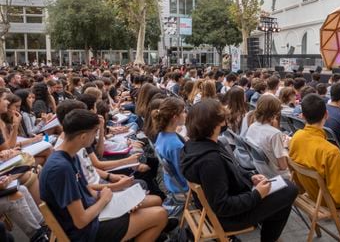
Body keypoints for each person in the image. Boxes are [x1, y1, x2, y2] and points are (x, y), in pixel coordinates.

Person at [40, 109, 168, 242]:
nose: (95, 137)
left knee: (155, 200)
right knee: (160, 215)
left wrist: (120, 199)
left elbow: (87, 189)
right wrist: (104, 199)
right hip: (87, 231)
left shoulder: (70, 156)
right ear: (83, 137)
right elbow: (81, 221)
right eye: (95, 132)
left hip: (94, 211)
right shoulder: (60, 169)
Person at [181, 99, 298, 242]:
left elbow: (230, 170)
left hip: (213, 207)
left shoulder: (194, 145)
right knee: (289, 189)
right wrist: (257, 194)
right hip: (227, 218)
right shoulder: (210, 161)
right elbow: (223, 206)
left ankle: (270, 233)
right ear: (216, 123)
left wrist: (250, 177)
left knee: (282, 195)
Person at [246, 95, 290, 178]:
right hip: (278, 176)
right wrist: (285, 147)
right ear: (275, 113)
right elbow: (283, 166)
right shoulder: (275, 134)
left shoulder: (252, 126)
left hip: (262, 172)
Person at [153, 97, 188, 194]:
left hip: (170, 182)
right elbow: (184, 175)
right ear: (175, 117)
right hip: (181, 188)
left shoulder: (161, 134)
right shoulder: (176, 146)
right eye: (183, 112)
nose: (185, 114)